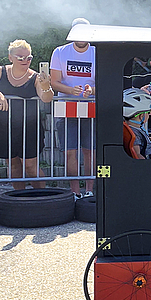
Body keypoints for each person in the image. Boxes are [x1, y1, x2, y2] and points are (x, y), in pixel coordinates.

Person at [0, 40, 53, 190]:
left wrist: (46, 85)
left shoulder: (35, 77)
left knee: (30, 167)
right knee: (13, 166)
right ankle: (18, 199)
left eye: (29, 58)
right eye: (20, 57)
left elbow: (46, 98)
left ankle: (43, 198)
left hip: (29, 127)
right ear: (10, 57)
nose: (25, 61)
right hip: (4, 126)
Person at [50, 18, 96, 199]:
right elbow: (54, 82)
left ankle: (89, 190)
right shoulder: (60, 52)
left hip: (90, 106)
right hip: (66, 107)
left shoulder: (97, 52)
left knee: (89, 150)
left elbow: (104, 81)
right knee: (70, 150)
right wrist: (70, 90)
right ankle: (75, 192)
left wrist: (92, 89)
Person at [122, 88, 151, 159]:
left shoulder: (129, 129)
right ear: (141, 116)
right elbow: (137, 155)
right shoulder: (135, 134)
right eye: (147, 112)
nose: (149, 115)